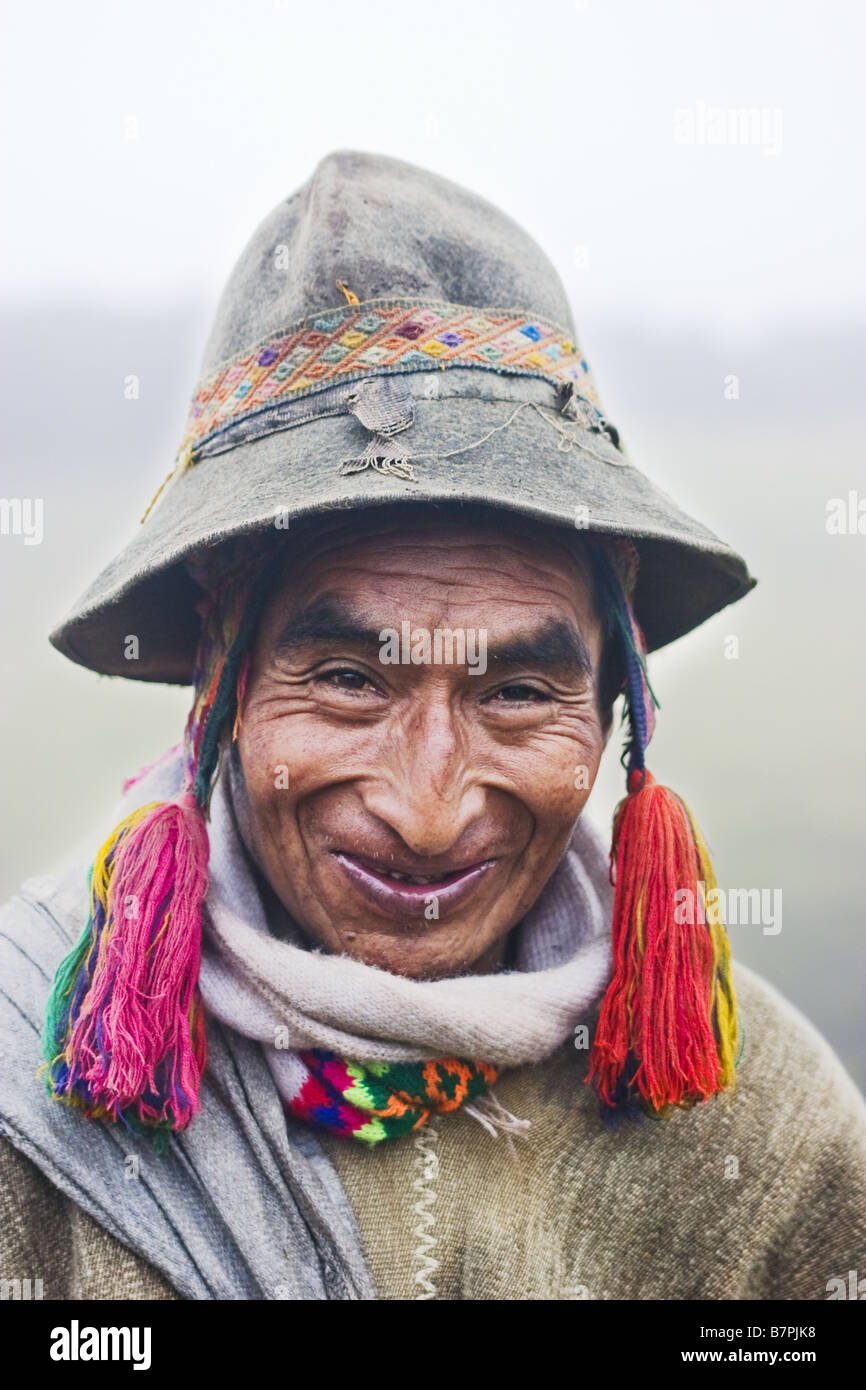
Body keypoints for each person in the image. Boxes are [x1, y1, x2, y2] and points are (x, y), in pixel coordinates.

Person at [1, 150, 864, 1302]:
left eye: (515, 692)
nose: (427, 807)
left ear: (614, 705)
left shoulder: (765, 1131)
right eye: (351, 678)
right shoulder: (26, 1089)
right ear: (223, 686)